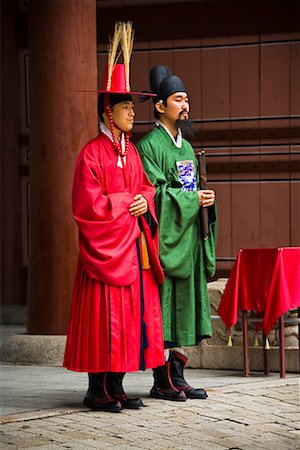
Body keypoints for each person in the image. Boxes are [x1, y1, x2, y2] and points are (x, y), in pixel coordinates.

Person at [63, 23, 165, 413]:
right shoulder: (91, 154)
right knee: (106, 318)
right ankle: (97, 388)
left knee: (130, 317)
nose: (131, 114)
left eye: (132, 108)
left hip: (133, 248)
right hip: (106, 253)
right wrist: (128, 203)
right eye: (126, 108)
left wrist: (144, 200)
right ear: (109, 110)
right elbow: (88, 207)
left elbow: (145, 188)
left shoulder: (133, 151)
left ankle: (117, 385)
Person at [137, 65, 217, 401]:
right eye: (178, 99)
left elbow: (191, 187)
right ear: (159, 106)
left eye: (186, 99)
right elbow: (152, 193)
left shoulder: (185, 147)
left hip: (188, 238)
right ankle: (160, 378)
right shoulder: (150, 145)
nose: (185, 105)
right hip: (166, 241)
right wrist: (189, 199)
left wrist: (207, 202)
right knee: (164, 306)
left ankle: (177, 373)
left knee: (185, 305)